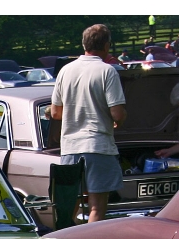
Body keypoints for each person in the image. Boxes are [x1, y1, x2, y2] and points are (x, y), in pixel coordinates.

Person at [49, 23, 127, 224]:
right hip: (97, 146)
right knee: (97, 207)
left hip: (70, 147)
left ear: (84, 44)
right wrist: (120, 120)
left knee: (68, 207)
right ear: (107, 45)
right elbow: (117, 113)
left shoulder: (65, 71)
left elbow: (56, 112)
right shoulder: (107, 71)